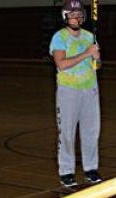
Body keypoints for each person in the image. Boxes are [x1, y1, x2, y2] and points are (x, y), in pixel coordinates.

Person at [49, 0, 102, 187]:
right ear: (65, 17)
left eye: (79, 14)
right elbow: (61, 64)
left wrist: (96, 58)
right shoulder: (59, 37)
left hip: (90, 89)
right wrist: (87, 53)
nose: (76, 18)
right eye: (72, 14)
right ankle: (67, 172)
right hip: (68, 90)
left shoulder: (90, 36)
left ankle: (91, 169)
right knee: (67, 133)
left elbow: (97, 65)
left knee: (91, 132)